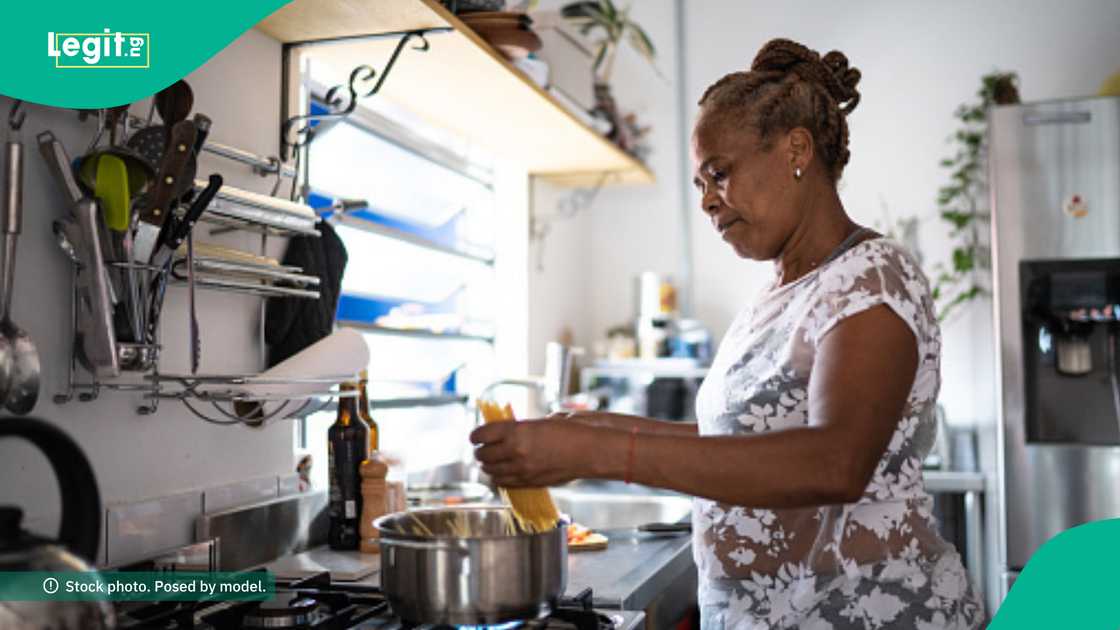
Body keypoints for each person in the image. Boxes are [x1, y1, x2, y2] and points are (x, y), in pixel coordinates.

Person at [470, 37, 983, 629]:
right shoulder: (778, 293)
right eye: (700, 185)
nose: (709, 201)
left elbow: (834, 461)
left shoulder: (872, 277)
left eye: (719, 174)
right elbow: (735, 435)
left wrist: (601, 450)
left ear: (796, 150)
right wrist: (587, 428)